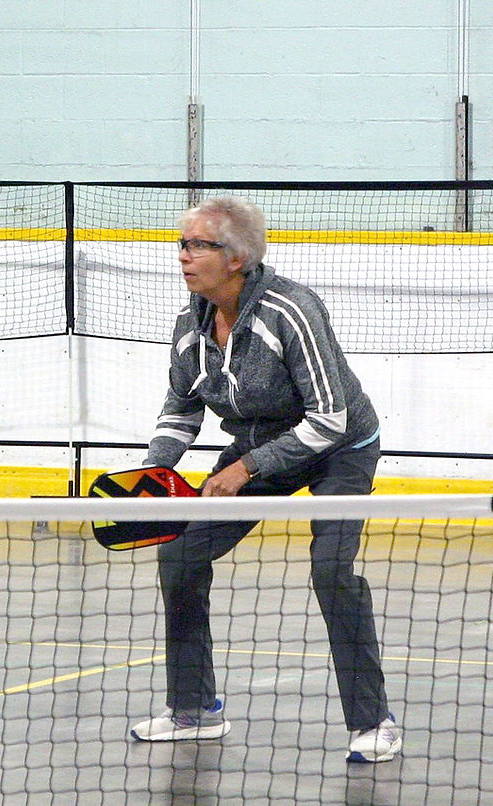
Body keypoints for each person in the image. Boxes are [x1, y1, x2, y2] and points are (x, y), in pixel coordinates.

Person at [129, 196, 402, 764]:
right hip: (260, 445)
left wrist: (245, 468)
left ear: (239, 257)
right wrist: (155, 468)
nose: (184, 255)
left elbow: (330, 419)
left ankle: (374, 721)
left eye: (199, 244)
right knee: (179, 557)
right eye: (182, 243)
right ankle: (194, 710)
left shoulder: (290, 310)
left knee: (331, 569)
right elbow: (181, 411)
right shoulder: (191, 323)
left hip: (339, 449)